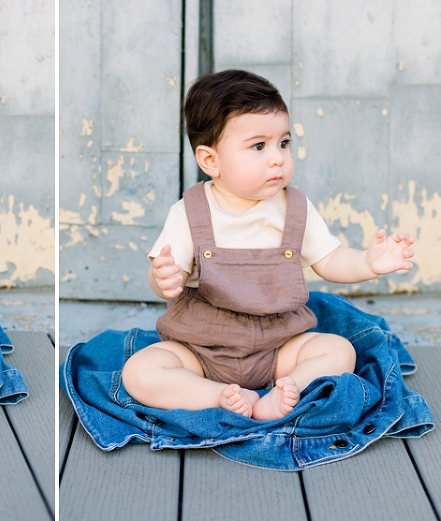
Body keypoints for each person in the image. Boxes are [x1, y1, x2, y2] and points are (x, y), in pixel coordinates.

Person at [121, 70, 415, 420]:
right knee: (139, 371)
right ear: (210, 160)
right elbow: (166, 273)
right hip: (200, 349)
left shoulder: (295, 208)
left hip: (279, 347)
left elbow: (330, 259)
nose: (277, 158)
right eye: (259, 146)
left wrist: (369, 263)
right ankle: (220, 396)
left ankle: (284, 390)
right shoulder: (190, 212)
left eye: (283, 143)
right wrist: (163, 279)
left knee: (339, 350)